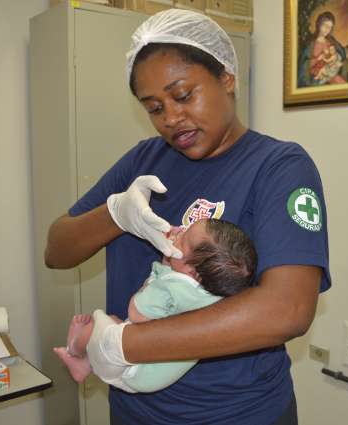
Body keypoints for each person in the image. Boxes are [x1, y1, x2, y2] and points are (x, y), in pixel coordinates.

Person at [45, 8, 331, 425]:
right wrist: (116, 214)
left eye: (182, 95)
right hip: (135, 410)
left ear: (226, 77)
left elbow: (287, 309)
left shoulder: (279, 166)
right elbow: (57, 249)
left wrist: (124, 344)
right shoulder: (144, 161)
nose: (171, 119)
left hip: (236, 413)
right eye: (154, 108)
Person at [53, 218, 257, 393]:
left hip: (134, 367)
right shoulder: (215, 294)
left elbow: (136, 312)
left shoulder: (174, 286)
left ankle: (75, 351)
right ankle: (88, 365)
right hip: (150, 376)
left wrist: (162, 269)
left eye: (183, 239)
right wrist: (172, 264)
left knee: (97, 327)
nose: (178, 233)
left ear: (191, 272)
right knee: (115, 322)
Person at [298, 11, 347, 86]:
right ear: (319, 24)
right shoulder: (310, 44)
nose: (327, 29)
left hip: (330, 74)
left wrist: (336, 56)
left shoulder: (331, 41)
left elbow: (342, 53)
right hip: (316, 78)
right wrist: (318, 58)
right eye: (325, 25)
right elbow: (303, 66)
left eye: (330, 27)